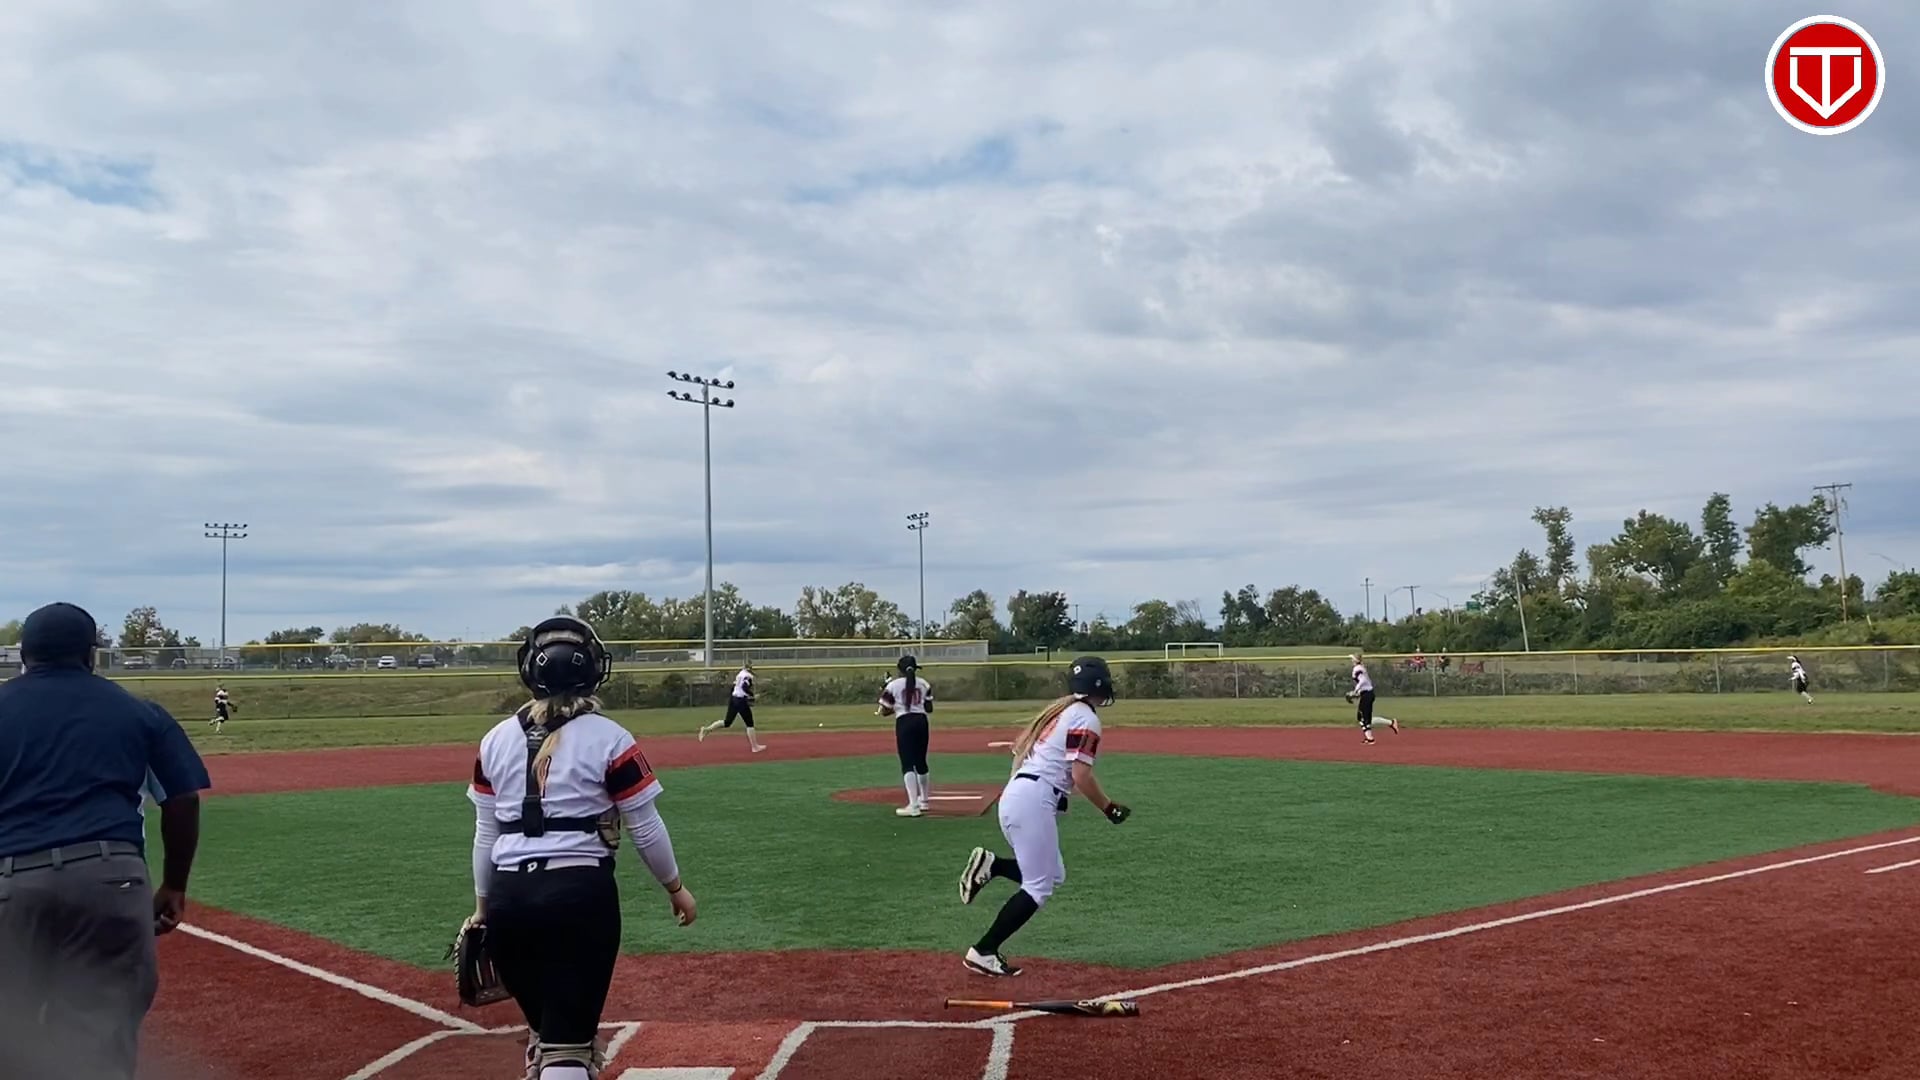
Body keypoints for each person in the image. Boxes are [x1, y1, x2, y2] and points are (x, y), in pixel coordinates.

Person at [468, 616, 696, 1080]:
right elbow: (645, 827)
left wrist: (483, 909)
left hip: (509, 898)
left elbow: (486, 834)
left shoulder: (494, 740)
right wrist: (675, 887)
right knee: (568, 1047)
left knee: (548, 1035)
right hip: (578, 894)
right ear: (592, 670)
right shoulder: (610, 738)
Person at [0, 602, 211, 1080]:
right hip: (110, 880)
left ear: (24, 655)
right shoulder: (137, 711)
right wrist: (174, 884)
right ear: (91, 654)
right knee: (100, 1036)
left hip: (10, 883)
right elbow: (182, 798)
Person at [956, 656, 1130, 977]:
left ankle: (993, 866)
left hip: (1020, 796)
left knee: (1054, 875)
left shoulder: (1062, 711)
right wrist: (1109, 807)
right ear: (1100, 685)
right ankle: (984, 950)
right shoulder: (1085, 717)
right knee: (1038, 888)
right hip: (1033, 800)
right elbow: (1080, 776)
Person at [877, 655, 933, 817]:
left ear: (899, 670)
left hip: (904, 722)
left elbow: (884, 711)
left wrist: (895, 705)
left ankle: (913, 805)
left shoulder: (893, 685)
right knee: (921, 761)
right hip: (921, 721)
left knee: (907, 764)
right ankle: (924, 801)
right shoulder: (924, 683)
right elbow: (929, 708)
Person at [696, 659, 764, 753]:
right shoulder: (748, 676)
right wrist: (752, 695)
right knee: (749, 723)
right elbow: (744, 687)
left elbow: (736, 687)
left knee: (727, 722)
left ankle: (706, 729)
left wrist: (746, 696)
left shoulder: (740, 673)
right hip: (740, 700)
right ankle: (754, 747)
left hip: (734, 698)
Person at [1347, 653, 1400, 744]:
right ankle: (1389, 724)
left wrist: (1355, 691)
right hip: (1367, 694)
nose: (1351, 660)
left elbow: (1362, 681)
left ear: (1356, 660)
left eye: (1353, 659)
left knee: (1363, 718)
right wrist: (1358, 693)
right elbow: (1364, 683)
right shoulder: (1360, 667)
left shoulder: (1357, 668)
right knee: (1365, 718)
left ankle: (1371, 738)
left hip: (1367, 694)